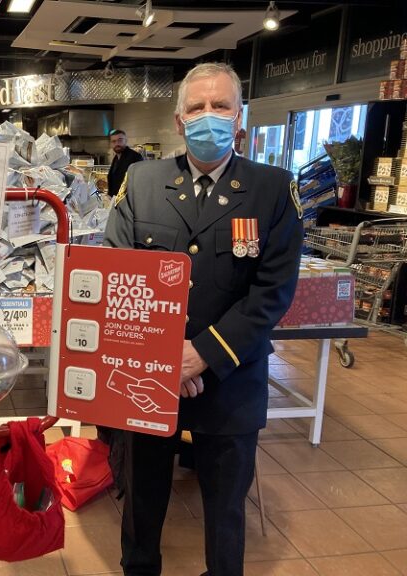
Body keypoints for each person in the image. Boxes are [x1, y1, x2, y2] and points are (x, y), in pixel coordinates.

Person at [104, 62, 304, 576]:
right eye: (197, 107)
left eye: (220, 106)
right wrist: (168, 357)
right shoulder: (142, 182)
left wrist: (203, 356)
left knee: (225, 512)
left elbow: (272, 292)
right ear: (178, 120)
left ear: (240, 118)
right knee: (141, 505)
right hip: (151, 380)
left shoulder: (273, 190)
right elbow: (118, 270)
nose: (208, 117)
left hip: (231, 378)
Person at [107, 129, 143, 196]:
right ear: (111, 144)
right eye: (114, 141)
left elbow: (140, 182)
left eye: (120, 140)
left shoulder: (135, 157)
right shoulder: (116, 158)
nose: (117, 144)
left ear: (126, 141)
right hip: (117, 200)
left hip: (128, 201)